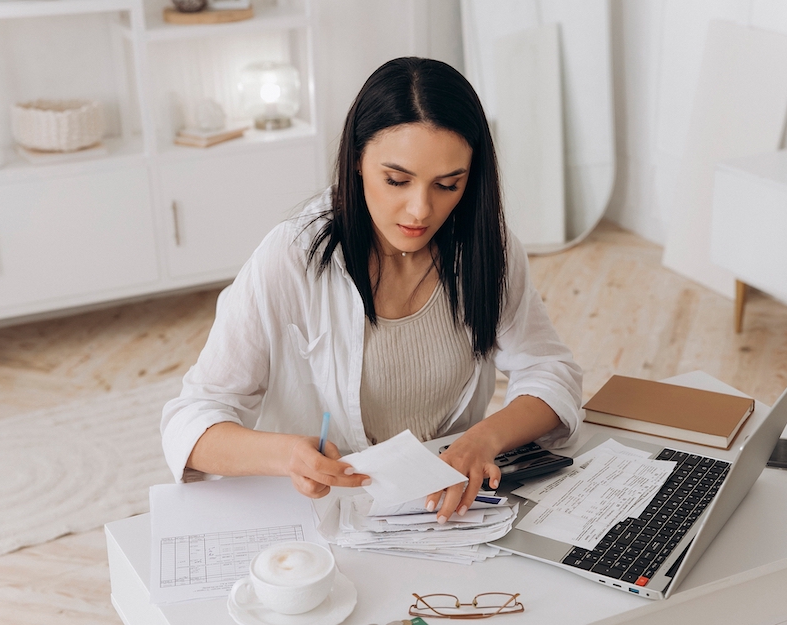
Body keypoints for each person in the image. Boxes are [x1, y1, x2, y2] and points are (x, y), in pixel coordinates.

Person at [161, 57, 582, 524]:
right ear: (357, 160)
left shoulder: (486, 248)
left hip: (447, 515)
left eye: (448, 185)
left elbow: (551, 371)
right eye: (397, 180)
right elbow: (190, 421)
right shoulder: (293, 254)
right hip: (321, 517)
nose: (420, 210)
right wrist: (288, 456)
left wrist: (482, 439)